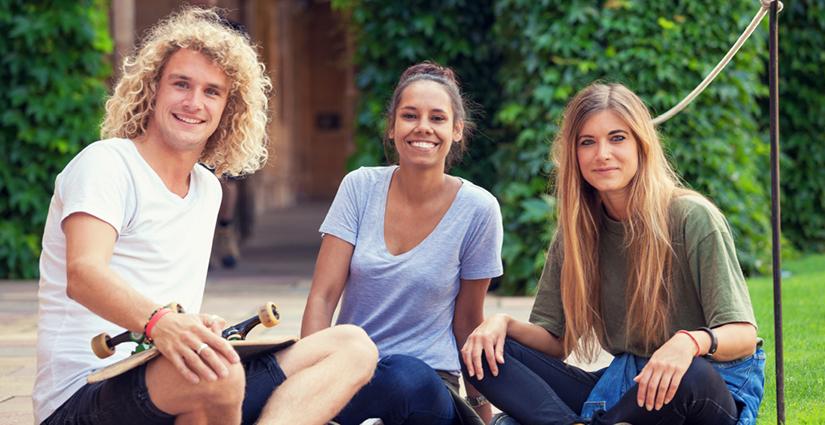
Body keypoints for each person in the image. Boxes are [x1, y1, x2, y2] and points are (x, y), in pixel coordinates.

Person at [33, 7, 377, 425]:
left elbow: (169, 308)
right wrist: (162, 324)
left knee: (352, 347)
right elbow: (83, 273)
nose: (194, 102)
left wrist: (192, 325)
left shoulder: (207, 189)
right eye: (181, 84)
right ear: (153, 89)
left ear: (228, 108)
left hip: (177, 382)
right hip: (83, 395)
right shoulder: (107, 163)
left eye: (212, 92)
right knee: (219, 373)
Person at [461, 83, 765, 425]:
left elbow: (743, 335)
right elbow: (555, 341)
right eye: (587, 142)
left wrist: (688, 343)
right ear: (573, 154)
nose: (602, 153)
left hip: (704, 387)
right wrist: (500, 324)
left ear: (641, 145)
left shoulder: (692, 217)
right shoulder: (577, 232)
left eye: (617, 138)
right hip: (626, 386)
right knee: (486, 353)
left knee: (691, 375)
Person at [301, 62, 504, 424]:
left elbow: (468, 323)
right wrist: (307, 381)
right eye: (410, 115)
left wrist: (479, 412)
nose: (423, 127)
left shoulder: (479, 210)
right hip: (352, 374)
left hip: (427, 385)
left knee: (408, 376)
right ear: (393, 127)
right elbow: (323, 296)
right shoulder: (359, 188)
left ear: (457, 130)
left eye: (437, 118)